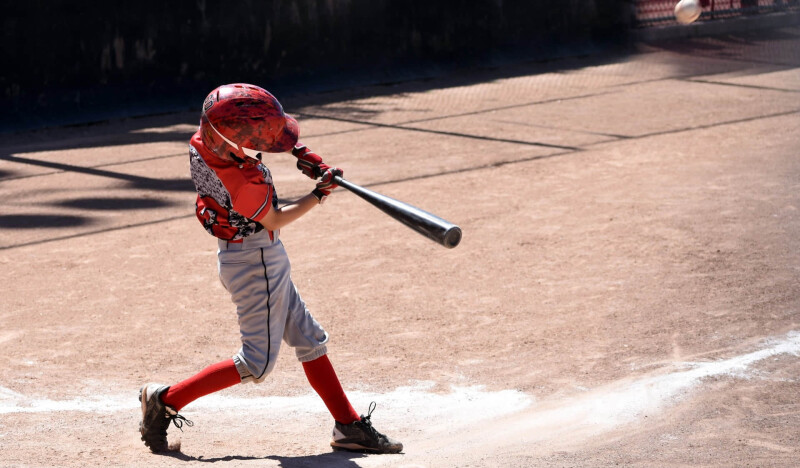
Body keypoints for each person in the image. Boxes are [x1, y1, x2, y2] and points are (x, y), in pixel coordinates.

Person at [138, 83, 402, 455]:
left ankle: (348, 425)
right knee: (256, 363)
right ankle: (165, 400)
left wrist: (301, 153)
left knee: (310, 339)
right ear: (232, 137)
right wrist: (319, 193)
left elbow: (255, 140)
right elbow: (275, 218)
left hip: (253, 255)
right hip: (255, 261)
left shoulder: (205, 138)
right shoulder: (241, 183)